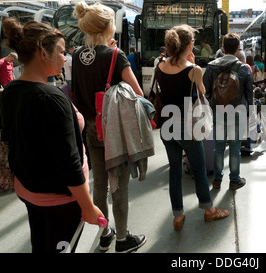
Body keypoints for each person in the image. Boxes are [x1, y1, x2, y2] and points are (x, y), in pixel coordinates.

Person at [0, 18, 103, 253]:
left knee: (42, 244)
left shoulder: (11, 90)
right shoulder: (51, 98)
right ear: (42, 53)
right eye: (59, 51)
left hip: (28, 189)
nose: (65, 57)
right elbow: (69, 162)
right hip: (59, 199)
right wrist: (87, 207)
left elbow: (11, 138)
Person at [72, 1, 146, 252]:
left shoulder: (76, 55)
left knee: (100, 183)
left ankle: (104, 234)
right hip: (113, 129)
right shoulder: (116, 55)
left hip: (89, 129)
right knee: (120, 185)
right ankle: (124, 239)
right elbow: (137, 92)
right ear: (107, 26)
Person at [156, 24, 229, 231]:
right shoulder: (193, 70)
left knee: (174, 171)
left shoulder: (159, 66)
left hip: (166, 125)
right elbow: (203, 92)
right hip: (187, 126)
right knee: (198, 169)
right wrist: (193, 66)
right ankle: (208, 210)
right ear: (189, 46)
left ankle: (178, 216)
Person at [203, 32, 253, 191]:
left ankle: (217, 180)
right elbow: (249, 94)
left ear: (223, 48)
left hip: (217, 111)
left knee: (218, 147)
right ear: (238, 48)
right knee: (235, 146)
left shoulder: (211, 66)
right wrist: (249, 113)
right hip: (238, 110)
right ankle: (234, 179)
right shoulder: (244, 68)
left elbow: (206, 91)